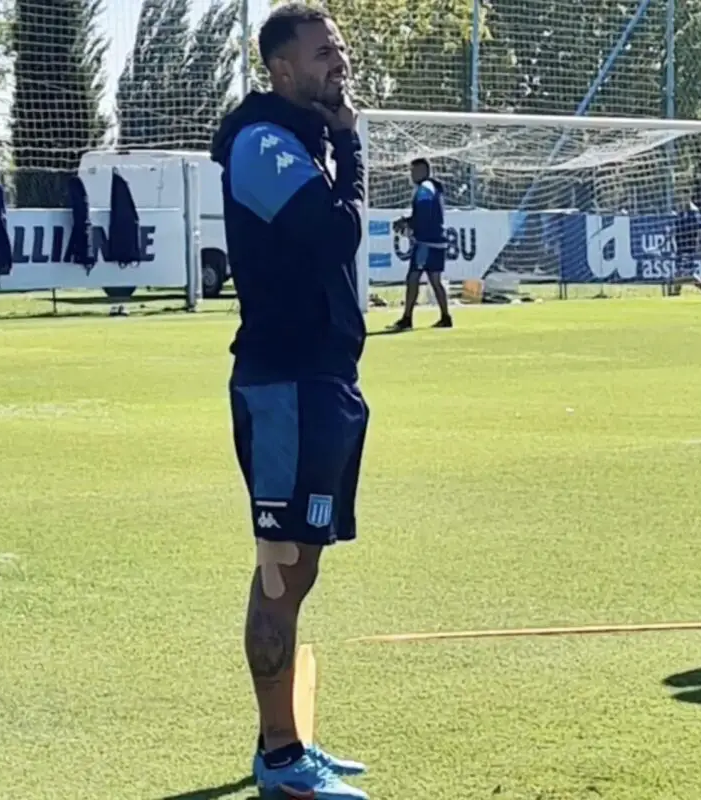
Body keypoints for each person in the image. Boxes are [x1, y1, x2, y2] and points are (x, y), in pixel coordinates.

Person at [211, 5, 370, 799]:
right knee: (280, 568)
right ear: (279, 69)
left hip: (322, 380)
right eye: (321, 53)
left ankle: (283, 737)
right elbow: (333, 235)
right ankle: (280, 759)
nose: (337, 62)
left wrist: (337, 140)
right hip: (286, 385)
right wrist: (349, 141)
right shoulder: (262, 144)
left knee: (296, 569)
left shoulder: (302, 141)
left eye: (339, 48)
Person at [389, 158, 453, 330]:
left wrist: (408, 223)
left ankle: (407, 318)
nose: (411, 175)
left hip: (426, 241)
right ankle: (446, 317)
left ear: (424, 171)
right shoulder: (433, 187)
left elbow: (424, 214)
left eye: (414, 171)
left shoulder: (424, 189)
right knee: (434, 280)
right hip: (437, 240)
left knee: (413, 278)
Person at [669, 200, 701, 296]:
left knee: (685, 273)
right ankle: (678, 291)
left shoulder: (693, 216)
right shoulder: (679, 216)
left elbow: (699, 230)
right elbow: (674, 232)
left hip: (689, 248)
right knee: (682, 272)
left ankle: (678, 291)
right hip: (680, 248)